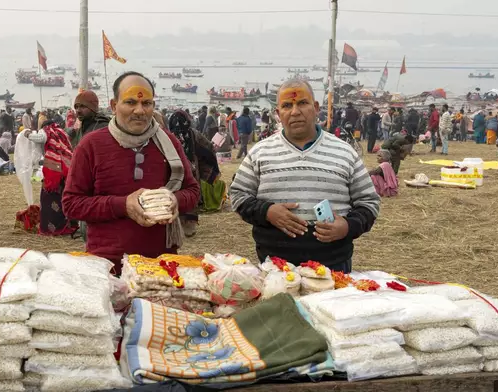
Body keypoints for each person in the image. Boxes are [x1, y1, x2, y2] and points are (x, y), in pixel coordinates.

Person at [229, 79, 380, 272]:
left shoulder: (344, 152)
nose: (295, 112)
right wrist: (267, 212)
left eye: (302, 103)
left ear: (316, 108)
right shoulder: (260, 152)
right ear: (277, 114)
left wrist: (348, 227)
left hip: (334, 268)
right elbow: (238, 195)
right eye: (287, 105)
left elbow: (369, 202)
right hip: (275, 269)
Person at [62, 71, 200, 273]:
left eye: (147, 104)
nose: (140, 111)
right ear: (113, 105)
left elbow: (193, 191)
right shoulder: (90, 145)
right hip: (107, 267)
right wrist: (123, 205)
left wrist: (173, 200)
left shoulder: (169, 143)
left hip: (161, 267)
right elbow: (71, 204)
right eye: (130, 102)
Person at [168, 110, 224, 237]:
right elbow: (208, 148)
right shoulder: (193, 134)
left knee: (175, 197)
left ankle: (179, 226)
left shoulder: (167, 137)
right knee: (191, 195)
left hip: (173, 174)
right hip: (191, 172)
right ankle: (189, 228)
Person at [24, 121, 78, 236]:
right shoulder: (61, 133)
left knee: (49, 199)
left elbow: (39, 138)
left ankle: (53, 228)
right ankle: (70, 224)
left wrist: (27, 134)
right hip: (66, 168)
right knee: (65, 196)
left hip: (54, 171)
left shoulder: (47, 132)